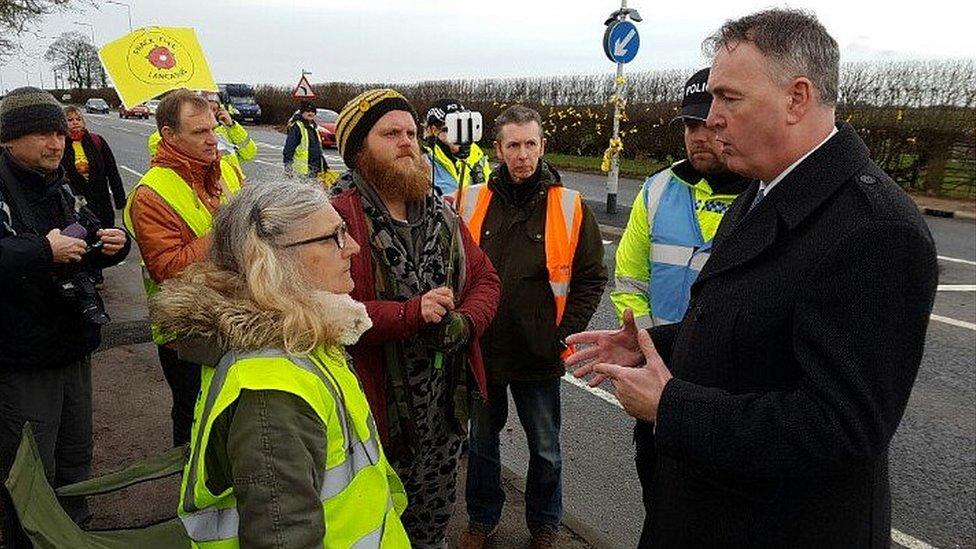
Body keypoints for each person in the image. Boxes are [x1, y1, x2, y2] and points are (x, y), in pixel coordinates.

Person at [567, 8, 939, 548]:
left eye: (728, 98)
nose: (711, 117)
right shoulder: (764, 189)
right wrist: (650, 345)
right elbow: (748, 333)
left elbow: (840, 428)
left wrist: (671, 407)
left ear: (797, 98)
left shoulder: (875, 229)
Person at [150, 181, 410, 548]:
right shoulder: (271, 389)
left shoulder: (304, 335)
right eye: (334, 237)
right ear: (271, 260)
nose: (352, 247)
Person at [330, 88, 501, 549]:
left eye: (410, 132)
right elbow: (326, 310)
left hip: (444, 414)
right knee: (377, 525)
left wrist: (464, 323)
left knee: (432, 524)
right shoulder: (335, 218)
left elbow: (486, 280)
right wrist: (409, 314)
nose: (407, 141)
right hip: (374, 412)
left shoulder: (443, 214)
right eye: (391, 133)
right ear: (359, 150)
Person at [457, 105, 608, 549]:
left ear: (542, 146)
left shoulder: (569, 205)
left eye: (530, 144)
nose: (522, 154)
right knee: (481, 444)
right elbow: (452, 269)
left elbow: (591, 276)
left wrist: (565, 333)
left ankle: (545, 524)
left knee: (546, 449)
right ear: (498, 150)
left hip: (538, 352)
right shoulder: (470, 201)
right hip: (483, 350)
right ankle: (481, 520)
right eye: (513, 145)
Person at [609, 68, 750, 538]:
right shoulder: (657, 189)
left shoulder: (760, 196)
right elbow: (630, 279)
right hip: (661, 373)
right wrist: (650, 347)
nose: (699, 137)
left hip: (727, 386)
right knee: (660, 500)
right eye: (691, 126)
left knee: (719, 513)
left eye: (709, 125)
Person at [0, 87, 130, 547]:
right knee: (29, 464)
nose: (56, 142)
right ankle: (27, 538)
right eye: (41, 132)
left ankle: (75, 533)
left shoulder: (61, 185)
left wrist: (114, 244)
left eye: (59, 131)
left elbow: (91, 231)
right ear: (9, 138)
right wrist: (43, 251)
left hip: (74, 343)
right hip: (23, 355)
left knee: (76, 453)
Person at [124, 89, 244, 447]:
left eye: (212, 129)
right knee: (195, 418)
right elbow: (169, 269)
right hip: (187, 334)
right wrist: (224, 228)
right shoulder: (151, 194)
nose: (212, 139)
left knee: (236, 418)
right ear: (169, 135)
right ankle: (192, 495)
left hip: (237, 317)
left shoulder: (226, 171)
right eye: (199, 132)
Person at [147, 91, 257, 175]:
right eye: (200, 132)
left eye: (215, 109)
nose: (211, 113)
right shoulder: (175, 131)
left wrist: (232, 126)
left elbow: (249, 153)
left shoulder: (227, 129)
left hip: (230, 185)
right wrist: (181, 127)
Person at [60, 106, 126, 229]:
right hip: (75, 205)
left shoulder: (97, 140)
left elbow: (112, 172)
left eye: (78, 119)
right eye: (70, 120)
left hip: (101, 202)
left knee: (105, 239)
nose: (75, 122)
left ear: (83, 122)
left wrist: (120, 200)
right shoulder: (60, 144)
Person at [422, 98, 491, 196]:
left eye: (463, 125)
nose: (460, 132)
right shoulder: (424, 162)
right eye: (454, 127)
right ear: (435, 130)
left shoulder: (478, 158)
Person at [283, 101, 325, 178]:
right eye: (307, 111)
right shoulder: (297, 127)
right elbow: (289, 148)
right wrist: (288, 167)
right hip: (301, 171)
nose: (311, 113)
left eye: (313, 111)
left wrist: (324, 165)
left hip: (315, 168)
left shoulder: (314, 127)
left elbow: (318, 149)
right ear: (302, 113)